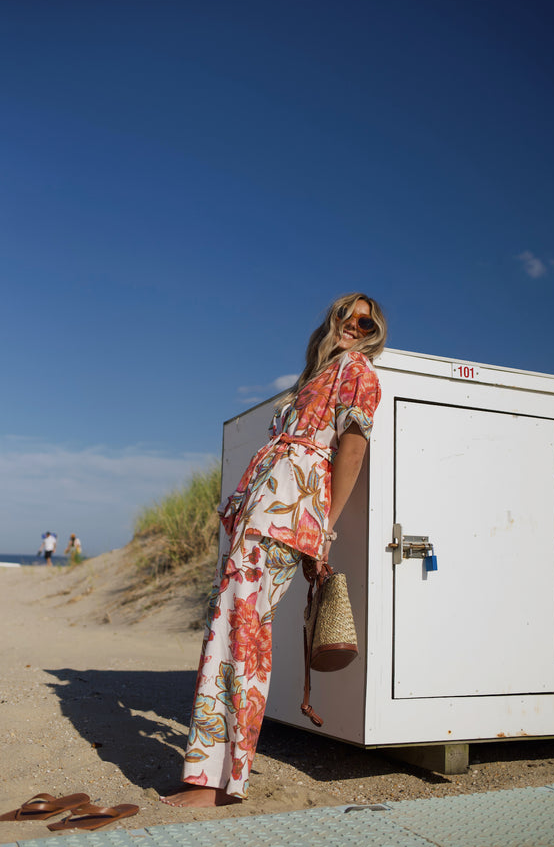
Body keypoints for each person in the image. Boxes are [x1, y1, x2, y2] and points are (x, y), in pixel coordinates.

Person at [161, 292, 387, 808]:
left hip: (285, 516)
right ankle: (211, 773)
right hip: (263, 513)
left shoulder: (358, 373)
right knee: (232, 629)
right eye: (347, 316)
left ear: (374, 331)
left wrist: (323, 526)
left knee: (241, 635)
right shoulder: (315, 378)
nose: (355, 326)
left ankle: (221, 781)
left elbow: (352, 451)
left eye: (366, 321)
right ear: (332, 319)